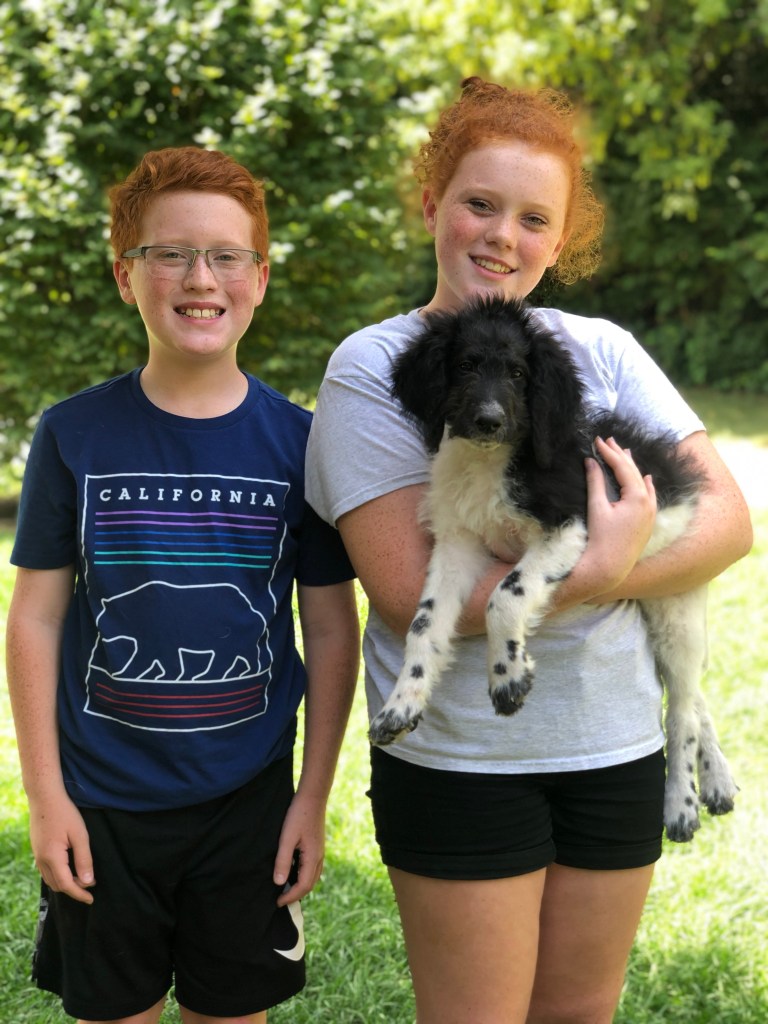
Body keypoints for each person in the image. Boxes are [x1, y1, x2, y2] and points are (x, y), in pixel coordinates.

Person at [305, 78, 752, 1023]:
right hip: (463, 761)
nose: (503, 236)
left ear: (560, 241)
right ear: (432, 204)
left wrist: (606, 564)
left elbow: (727, 524)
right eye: (480, 203)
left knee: (580, 1014)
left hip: (615, 744)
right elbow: (406, 593)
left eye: (534, 218)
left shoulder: (602, 350)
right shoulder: (375, 369)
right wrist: (599, 568)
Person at [6, 146, 360, 1024]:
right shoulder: (72, 434)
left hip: (249, 803)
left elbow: (330, 629)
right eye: (170, 253)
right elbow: (37, 618)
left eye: (225, 255)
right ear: (125, 275)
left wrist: (311, 798)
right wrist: (46, 799)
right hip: (100, 801)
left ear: (259, 278)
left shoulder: (302, 444)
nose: (200, 277)